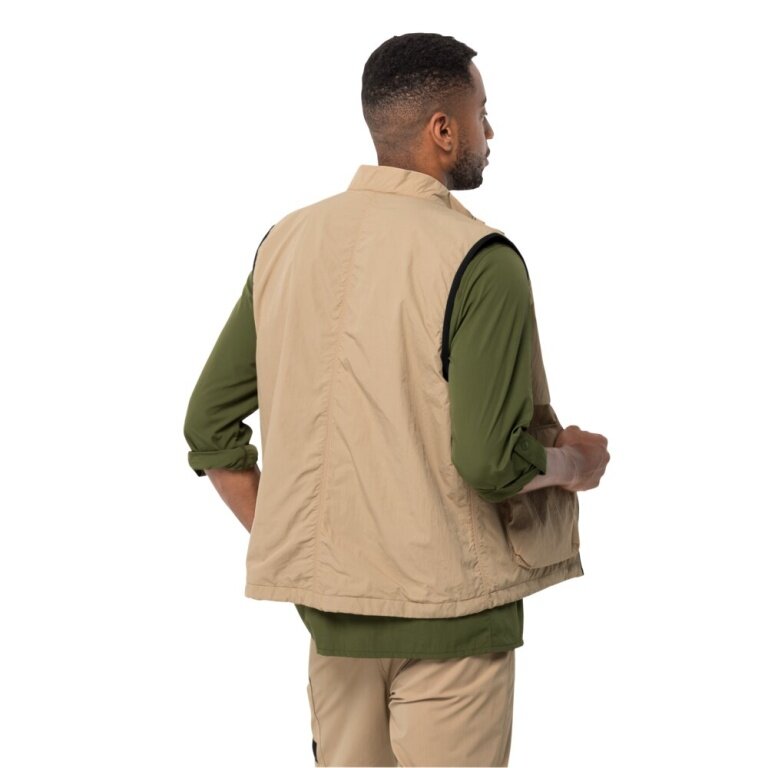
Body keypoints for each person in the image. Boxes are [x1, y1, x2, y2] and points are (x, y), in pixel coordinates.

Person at [184, 32, 609, 768]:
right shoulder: (483, 261)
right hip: (456, 623)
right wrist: (575, 464)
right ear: (443, 129)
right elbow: (490, 463)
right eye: (481, 112)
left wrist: (302, 547)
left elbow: (207, 424)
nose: (490, 131)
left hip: (334, 626)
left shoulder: (286, 242)